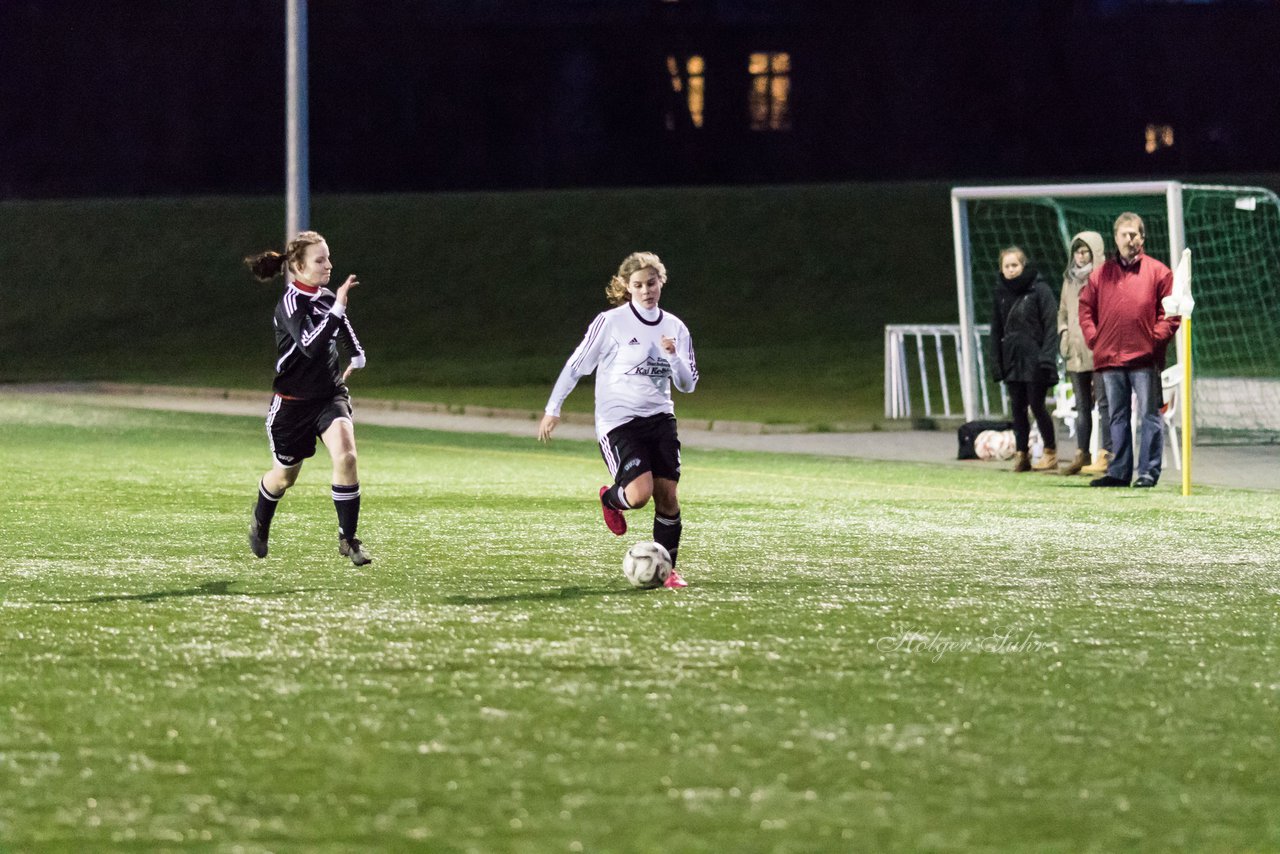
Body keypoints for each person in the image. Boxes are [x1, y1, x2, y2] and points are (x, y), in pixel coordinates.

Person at [538, 251, 698, 588]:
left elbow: (687, 384)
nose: (645, 291)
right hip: (619, 422)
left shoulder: (676, 327)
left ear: (661, 282)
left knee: (667, 496)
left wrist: (672, 357)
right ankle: (610, 499)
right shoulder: (611, 322)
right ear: (627, 286)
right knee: (639, 495)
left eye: (651, 283)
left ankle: (667, 571)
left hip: (661, 419)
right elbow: (575, 365)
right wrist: (554, 407)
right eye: (638, 285)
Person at [243, 230, 373, 565]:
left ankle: (348, 539)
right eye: (320, 259)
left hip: (329, 397)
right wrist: (339, 306)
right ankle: (261, 521)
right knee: (284, 478)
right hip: (291, 405)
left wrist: (356, 354)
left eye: (328, 257)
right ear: (299, 268)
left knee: (346, 457)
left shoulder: (327, 297)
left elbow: (339, 324)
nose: (328, 264)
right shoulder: (290, 303)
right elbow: (310, 345)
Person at [1079, 212, 1179, 488]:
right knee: (1117, 415)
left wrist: (1153, 339)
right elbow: (1085, 308)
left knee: (1149, 414)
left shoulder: (1159, 272)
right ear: (1115, 238)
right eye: (1124, 234)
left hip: (1145, 359)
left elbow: (1171, 313)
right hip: (1110, 357)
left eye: (1134, 234)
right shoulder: (1101, 275)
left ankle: (1148, 472)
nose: (1129, 239)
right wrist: (1094, 338)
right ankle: (1119, 472)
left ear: (1142, 237)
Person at [990, 246, 1059, 472]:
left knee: (1037, 405)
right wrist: (997, 362)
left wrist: (1047, 356)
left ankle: (1050, 451)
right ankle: (1022, 454)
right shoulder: (1000, 293)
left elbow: (1050, 324)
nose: (1011, 270)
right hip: (1012, 358)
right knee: (1017, 408)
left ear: (1023, 265)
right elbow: (996, 330)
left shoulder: (1039, 289)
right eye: (1006, 266)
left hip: (1035, 358)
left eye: (1015, 265)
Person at [1057, 231, 1112, 475]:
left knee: (1105, 404)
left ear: (1095, 252)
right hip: (1076, 352)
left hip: (1098, 351)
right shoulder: (1069, 280)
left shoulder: (1104, 278)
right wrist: (1064, 335)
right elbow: (1062, 312)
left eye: (1085, 250)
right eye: (1077, 251)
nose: (1080, 255)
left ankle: (1107, 453)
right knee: (1081, 405)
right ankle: (1082, 452)